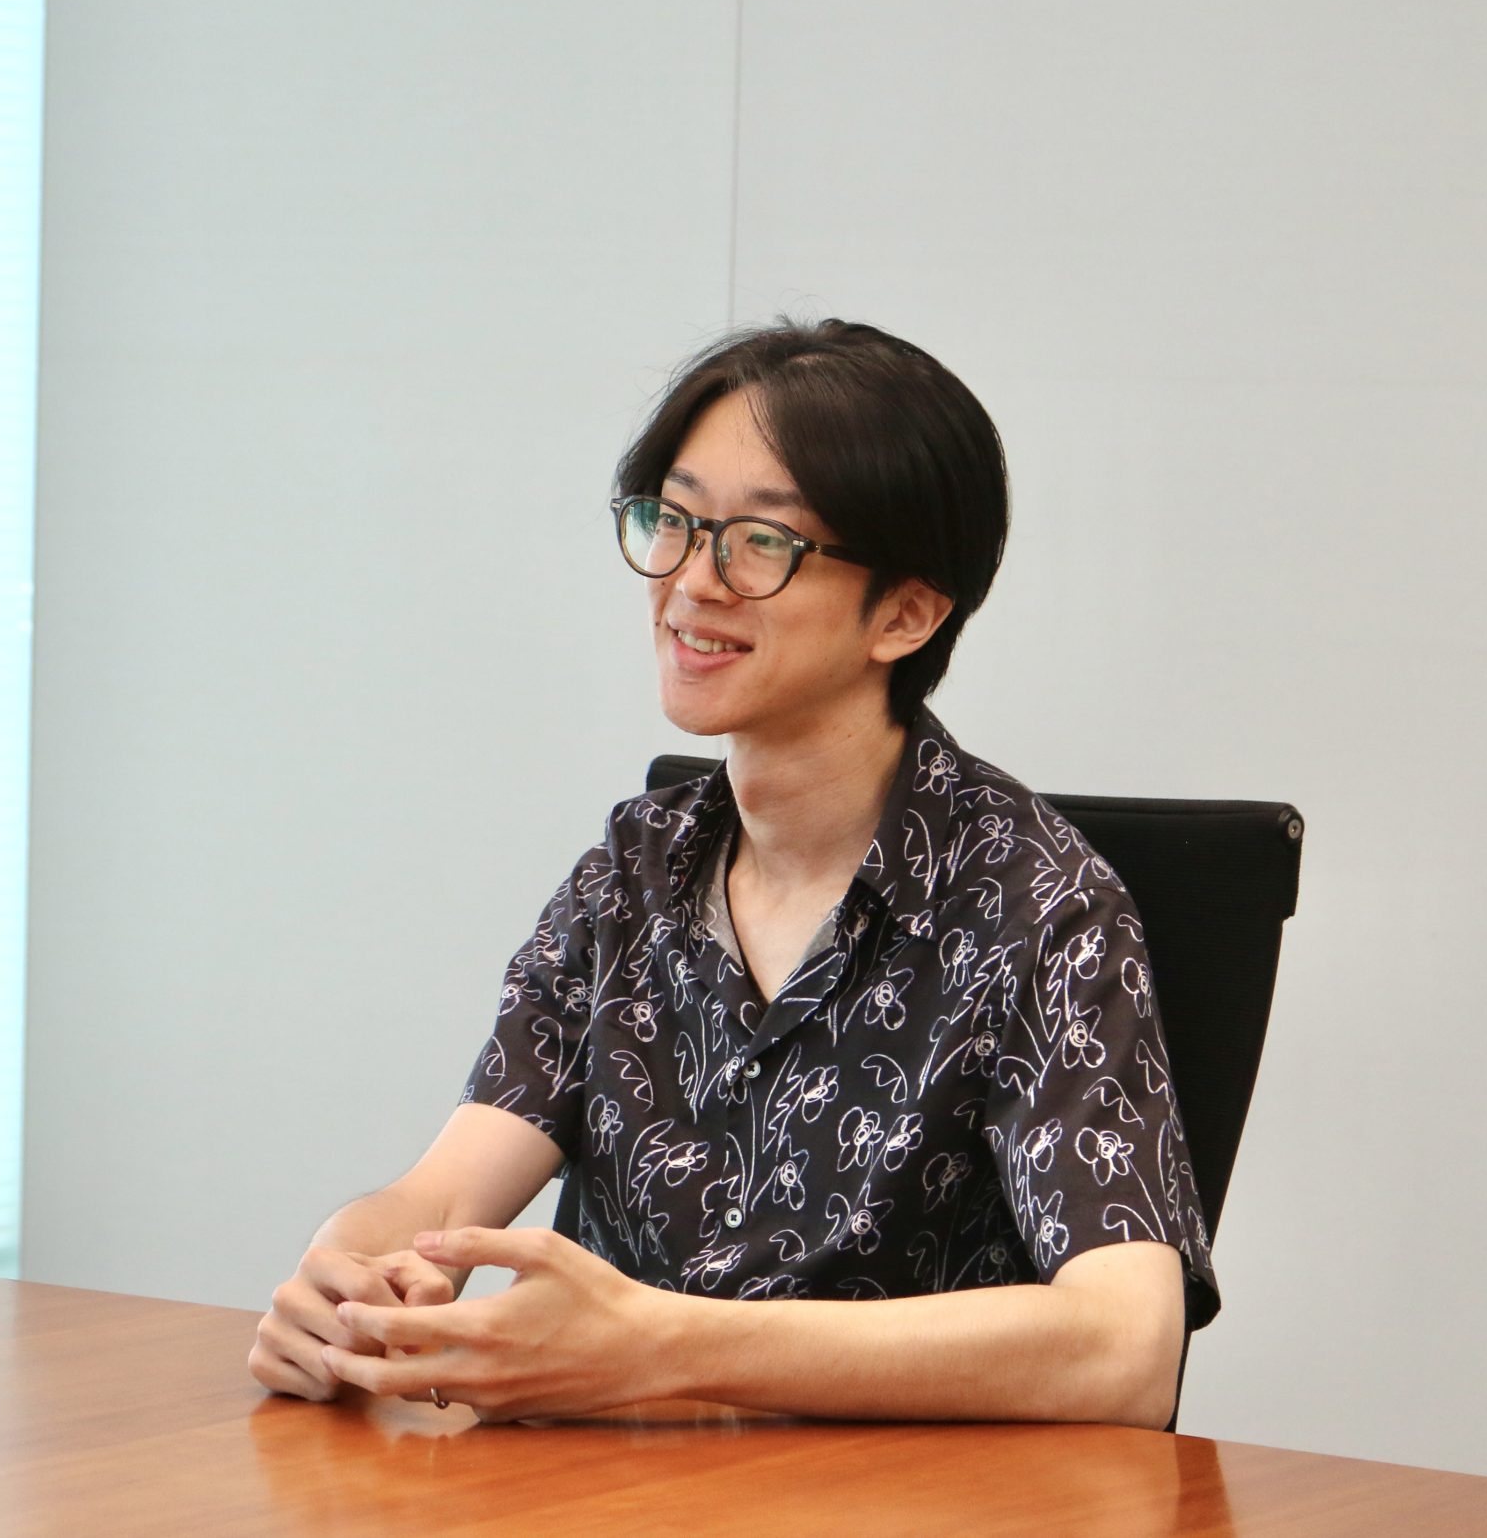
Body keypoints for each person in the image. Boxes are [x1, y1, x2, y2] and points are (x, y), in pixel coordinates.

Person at [247, 317, 1219, 1426]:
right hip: (604, 1492)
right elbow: (440, 1194)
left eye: (761, 541)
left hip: (894, 1498)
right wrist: (347, 1273)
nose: (689, 581)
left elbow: (1125, 1349)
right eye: (673, 520)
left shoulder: (1037, 904)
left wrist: (666, 1347)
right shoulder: (634, 870)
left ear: (905, 613)